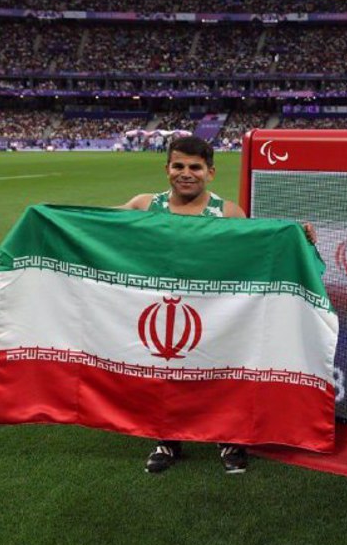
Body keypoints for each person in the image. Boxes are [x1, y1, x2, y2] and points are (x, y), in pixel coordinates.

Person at [118, 136, 315, 474]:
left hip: (215, 309)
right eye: (178, 166)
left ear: (210, 172)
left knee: (219, 371)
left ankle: (228, 438)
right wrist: (51, 218)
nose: (186, 173)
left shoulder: (225, 212)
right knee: (166, 374)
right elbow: (95, 224)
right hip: (164, 307)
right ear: (167, 169)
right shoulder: (145, 205)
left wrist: (295, 233)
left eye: (195, 167)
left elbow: (260, 241)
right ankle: (167, 439)